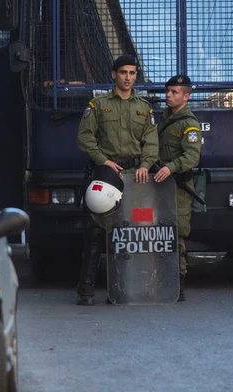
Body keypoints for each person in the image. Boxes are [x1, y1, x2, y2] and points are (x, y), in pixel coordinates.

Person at [75, 55, 159, 306]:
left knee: (133, 230)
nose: (128, 77)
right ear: (114, 74)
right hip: (107, 174)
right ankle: (86, 289)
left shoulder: (144, 107)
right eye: (123, 72)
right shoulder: (98, 105)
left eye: (132, 73)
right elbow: (85, 138)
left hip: (136, 177)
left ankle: (123, 288)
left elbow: (151, 142)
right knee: (97, 230)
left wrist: (145, 164)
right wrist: (103, 160)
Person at [153, 75, 202, 302]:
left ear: (186, 96)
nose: (168, 95)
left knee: (177, 233)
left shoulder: (189, 124)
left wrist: (171, 168)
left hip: (178, 186)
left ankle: (179, 284)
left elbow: (192, 157)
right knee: (157, 230)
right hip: (159, 184)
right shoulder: (164, 119)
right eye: (168, 91)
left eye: (174, 92)